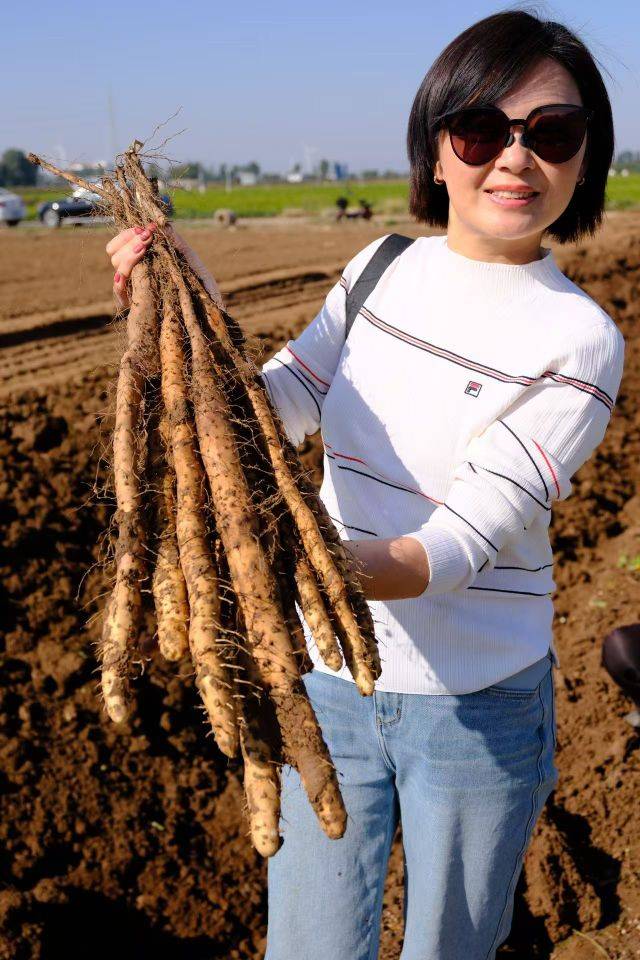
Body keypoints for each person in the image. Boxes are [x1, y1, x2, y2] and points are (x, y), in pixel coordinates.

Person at [104, 9, 625, 958]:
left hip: (474, 707)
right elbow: (283, 403)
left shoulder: (579, 341)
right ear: (436, 149)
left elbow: (456, 547)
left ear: (584, 161)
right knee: (306, 945)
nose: (515, 158)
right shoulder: (381, 266)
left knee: (447, 949)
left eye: (551, 133)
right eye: (482, 130)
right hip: (328, 686)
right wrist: (183, 305)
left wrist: (286, 569)